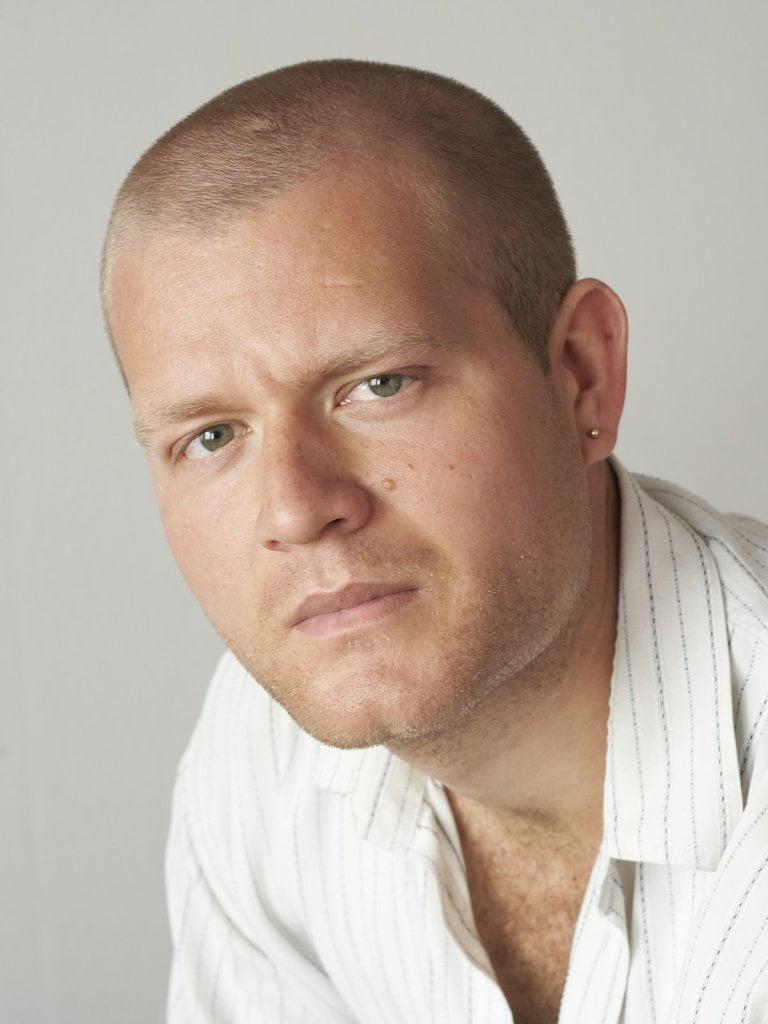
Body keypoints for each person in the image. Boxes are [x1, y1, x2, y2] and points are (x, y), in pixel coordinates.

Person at [102, 59, 768, 1024]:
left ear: (581, 375)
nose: (295, 509)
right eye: (211, 437)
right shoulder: (262, 749)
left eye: (379, 385)